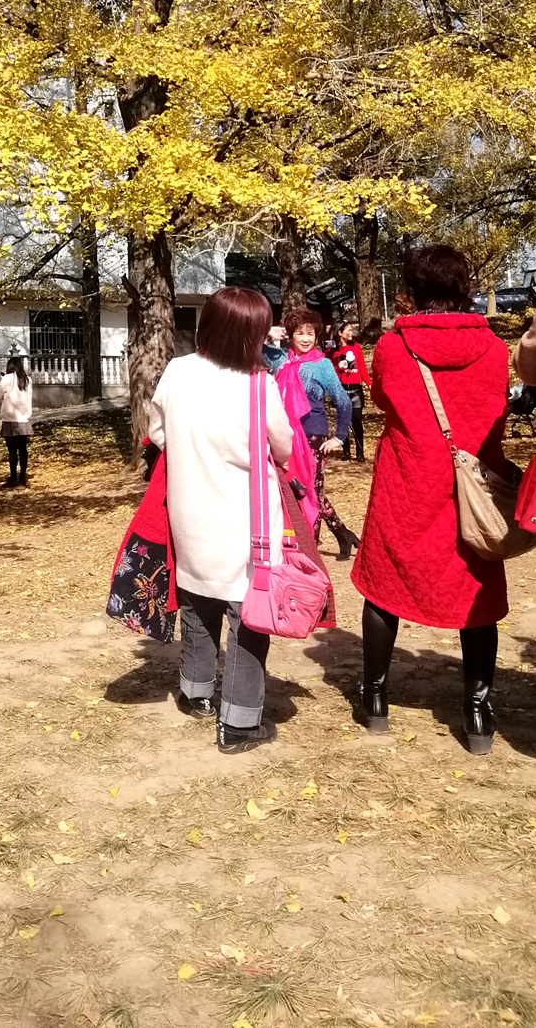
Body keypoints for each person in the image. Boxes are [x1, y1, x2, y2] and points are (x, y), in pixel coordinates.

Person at [352, 244, 510, 753]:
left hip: (406, 482)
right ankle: (478, 714)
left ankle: (376, 700)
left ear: (414, 289)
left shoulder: (392, 347)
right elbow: (496, 415)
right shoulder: (495, 350)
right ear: (464, 289)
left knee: (384, 587)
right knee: (476, 591)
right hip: (472, 490)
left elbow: (383, 399)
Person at [148, 286, 295, 753]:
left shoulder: (178, 371)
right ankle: (239, 724)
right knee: (248, 618)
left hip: (190, 513)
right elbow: (284, 448)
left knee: (197, 603)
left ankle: (195, 693)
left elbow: (157, 432)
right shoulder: (258, 385)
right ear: (254, 335)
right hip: (245, 525)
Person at [270, 308, 358, 558]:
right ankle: (343, 533)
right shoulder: (279, 359)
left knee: (309, 492)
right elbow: (248, 345)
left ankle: (311, 550)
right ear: (290, 335)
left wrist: (339, 437)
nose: (306, 339)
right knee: (296, 489)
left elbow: (343, 401)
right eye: (300, 333)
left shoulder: (322, 365)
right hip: (283, 437)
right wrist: (267, 332)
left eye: (311, 334)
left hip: (313, 438)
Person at [331, 321, 372, 461]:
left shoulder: (356, 347)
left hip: (356, 389)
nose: (351, 333)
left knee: (356, 420)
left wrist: (369, 384)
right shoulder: (332, 351)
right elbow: (331, 370)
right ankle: (346, 451)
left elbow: (362, 367)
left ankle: (360, 453)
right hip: (341, 389)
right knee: (344, 421)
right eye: (348, 330)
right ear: (340, 333)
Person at [0, 355, 33, 488]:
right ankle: (22, 477)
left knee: (12, 450)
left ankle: (13, 477)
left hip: (9, 419)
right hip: (24, 419)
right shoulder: (27, 380)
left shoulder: (7, 379)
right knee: (23, 450)